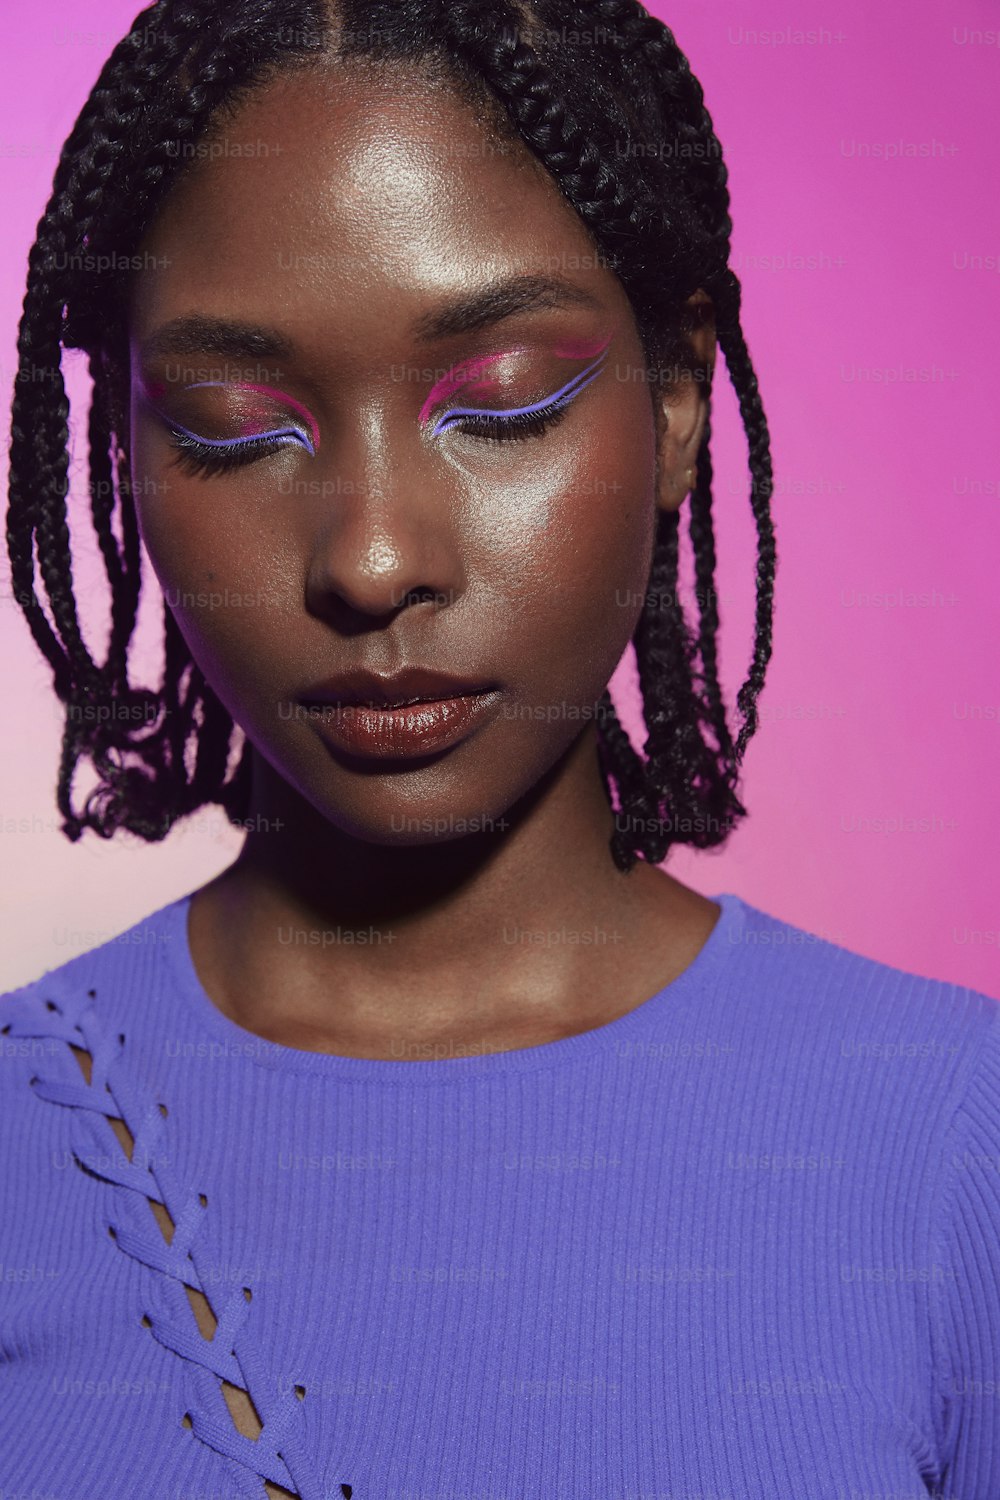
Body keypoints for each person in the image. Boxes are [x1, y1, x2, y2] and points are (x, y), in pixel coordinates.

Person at [2, 2, 998, 1496]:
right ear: (130, 455)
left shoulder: (951, 1145)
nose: (376, 556)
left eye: (505, 402)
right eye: (232, 424)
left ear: (674, 402)